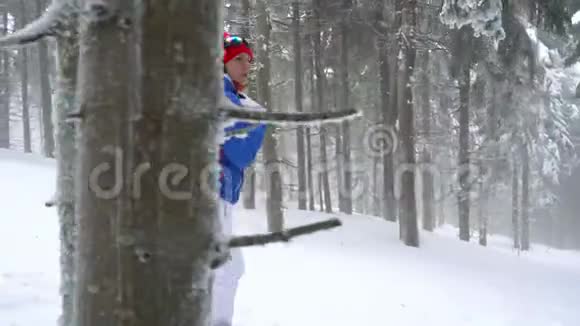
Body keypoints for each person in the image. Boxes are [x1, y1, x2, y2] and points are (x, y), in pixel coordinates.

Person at [213, 32, 267, 326]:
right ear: (223, 62)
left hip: (219, 192)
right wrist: (259, 123)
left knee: (230, 267)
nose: (247, 65)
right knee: (224, 268)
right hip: (212, 190)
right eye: (239, 59)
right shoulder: (220, 94)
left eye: (249, 59)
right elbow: (239, 152)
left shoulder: (232, 96)